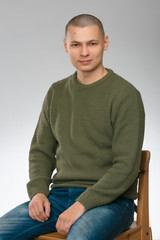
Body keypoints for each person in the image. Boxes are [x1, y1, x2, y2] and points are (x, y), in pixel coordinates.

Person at [0, 14, 145, 240]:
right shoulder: (56, 92)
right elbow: (41, 150)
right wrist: (38, 192)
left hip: (111, 202)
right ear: (65, 46)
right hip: (58, 199)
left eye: (92, 43)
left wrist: (82, 205)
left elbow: (125, 167)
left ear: (105, 43)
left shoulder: (126, 96)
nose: (84, 52)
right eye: (76, 44)